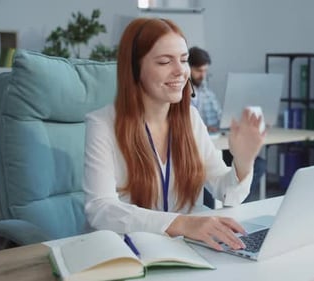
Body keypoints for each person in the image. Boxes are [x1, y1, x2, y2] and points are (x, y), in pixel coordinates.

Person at [83, 18, 265, 251]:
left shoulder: (190, 118)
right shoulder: (103, 124)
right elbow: (100, 208)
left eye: (184, 60)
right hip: (131, 251)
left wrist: (243, 162)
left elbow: (227, 194)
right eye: (165, 62)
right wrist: (181, 223)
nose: (180, 71)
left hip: (190, 249)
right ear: (134, 69)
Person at [188, 46, 267, 203]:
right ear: (187, 67)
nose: (202, 75)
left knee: (258, 164)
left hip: (219, 143)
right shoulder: (179, 98)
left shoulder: (207, 93)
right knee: (207, 175)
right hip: (201, 147)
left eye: (205, 71)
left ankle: (236, 202)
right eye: (198, 70)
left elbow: (219, 117)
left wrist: (228, 123)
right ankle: (215, 204)